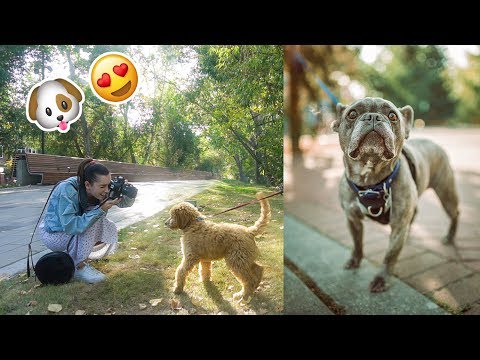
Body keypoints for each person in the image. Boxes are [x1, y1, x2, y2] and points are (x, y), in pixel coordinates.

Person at [38, 158, 136, 283]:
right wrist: (100, 210)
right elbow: (71, 226)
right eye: (103, 186)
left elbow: (122, 204)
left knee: (105, 223)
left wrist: (128, 193)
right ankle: (79, 266)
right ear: (88, 185)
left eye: (109, 185)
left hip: (70, 232)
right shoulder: (67, 189)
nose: (107, 190)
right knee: (95, 219)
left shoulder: (101, 186)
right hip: (54, 234)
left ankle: (82, 257)